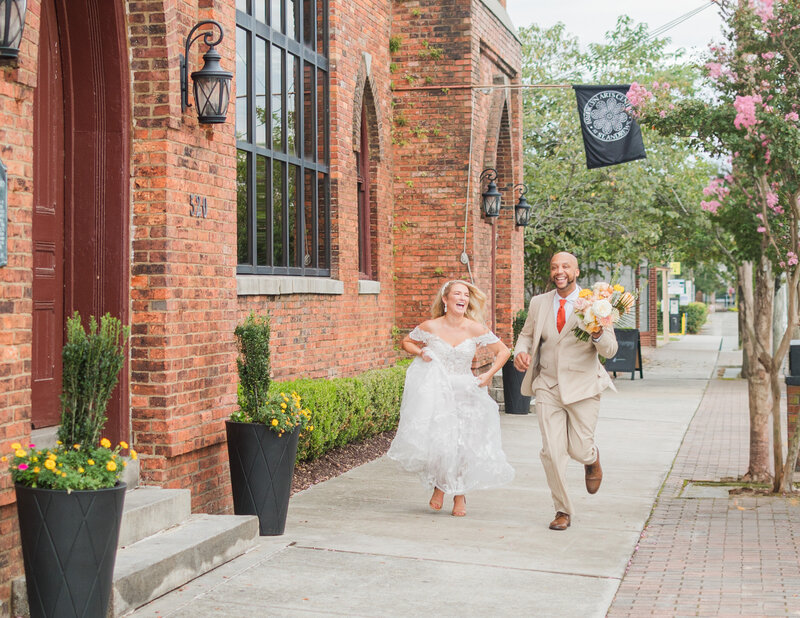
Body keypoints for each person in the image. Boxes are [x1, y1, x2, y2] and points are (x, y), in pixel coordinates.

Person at [387, 280, 514, 517]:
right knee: (440, 443)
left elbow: (504, 351)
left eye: (466, 295)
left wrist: (487, 374)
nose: (462, 298)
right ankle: (439, 486)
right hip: (437, 392)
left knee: (464, 446)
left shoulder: (474, 328)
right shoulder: (431, 326)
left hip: (467, 391)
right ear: (445, 300)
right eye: (457, 293)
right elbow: (406, 342)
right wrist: (421, 352)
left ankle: (460, 494)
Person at [513, 252, 617, 531]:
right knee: (552, 451)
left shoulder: (597, 304)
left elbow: (610, 349)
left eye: (565, 266)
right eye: (555, 267)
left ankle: (591, 459)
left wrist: (596, 332)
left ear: (577, 271)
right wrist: (520, 352)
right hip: (547, 385)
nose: (559, 271)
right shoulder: (538, 303)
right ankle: (562, 510)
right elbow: (526, 334)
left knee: (579, 448)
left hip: (584, 387)